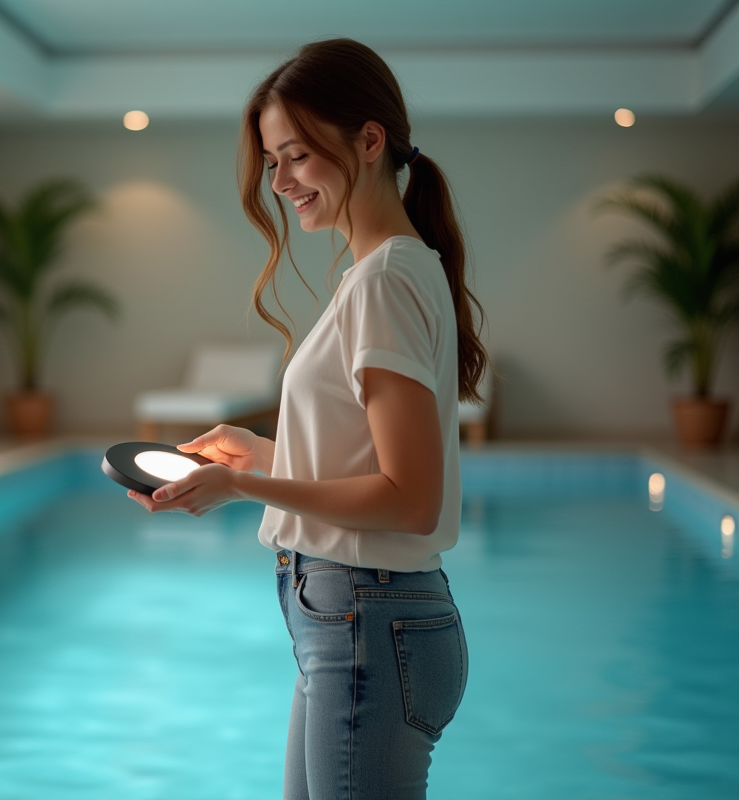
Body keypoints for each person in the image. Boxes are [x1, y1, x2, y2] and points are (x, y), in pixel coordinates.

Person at [127, 38, 489, 799]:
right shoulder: (389, 271)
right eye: (272, 161)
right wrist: (264, 459)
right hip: (359, 621)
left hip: (367, 619)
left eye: (296, 155)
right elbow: (372, 466)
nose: (281, 182)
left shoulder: (384, 280)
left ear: (368, 140)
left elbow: (407, 498)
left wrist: (245, 492)